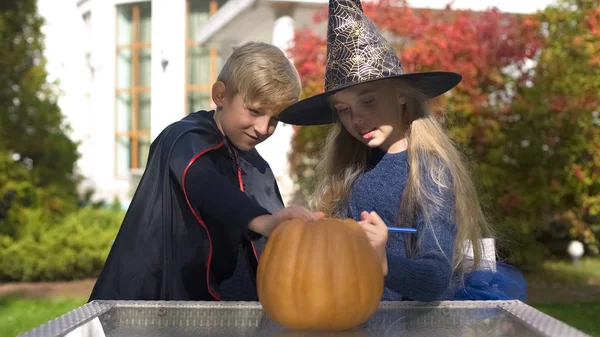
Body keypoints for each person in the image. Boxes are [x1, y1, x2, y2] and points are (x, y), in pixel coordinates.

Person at [277, 0, 526, 302]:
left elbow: (436, 278)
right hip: (351, 311)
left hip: (412, 323)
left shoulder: (429, 172)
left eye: (368, 102)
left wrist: (382, 261)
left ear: (402, 97)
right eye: (344, 110)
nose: (356, 119)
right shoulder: (348, 170)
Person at [89, 41, 322, 302]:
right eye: (255, 111)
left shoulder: (257, 167)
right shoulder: (183, 139)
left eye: (274, 119)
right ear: (220, 95)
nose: (263, 128)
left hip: (219, 309)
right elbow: (204, 182)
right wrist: (265, 222)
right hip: (152, 301)